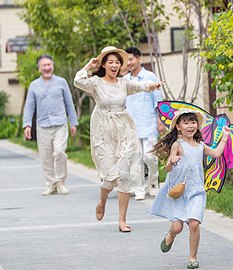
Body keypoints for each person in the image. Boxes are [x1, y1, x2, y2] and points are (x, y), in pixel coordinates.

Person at [73, 46, 165, 232]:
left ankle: (122, 220)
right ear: (104, 64)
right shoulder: (96, 82)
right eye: (110, 62)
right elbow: (78, 81)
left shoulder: (124, 83)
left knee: (124, 175)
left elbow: (140, 86)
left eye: (117, 62)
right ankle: (103, 199)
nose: (114, 65)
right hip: (103, 132)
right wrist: (89, 65)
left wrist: (153, 86)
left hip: (123, 130)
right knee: (108, 177)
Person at [149, 108, 231, 269]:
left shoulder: (200, 145)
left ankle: (192, 257)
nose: (190, 126)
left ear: (197, 126)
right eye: (186, 123)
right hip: (178, 192)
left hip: (197, 191)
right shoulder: (177, 145)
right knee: (177, 227)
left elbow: (215, 153)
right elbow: (167, 169)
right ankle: (171, 234)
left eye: (193, 122)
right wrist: (171, 161)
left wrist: (224, 137)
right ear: (178, 127)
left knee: (194, 224)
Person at [23, 54, 78, 196]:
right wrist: (27, 125)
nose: (47, 68)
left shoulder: (61, 82)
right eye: (44, 65)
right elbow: (29, 106)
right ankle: (51, 185)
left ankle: (61, 181)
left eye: (49, 65)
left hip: (60, 124)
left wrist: (73, 122)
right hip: (42, 126)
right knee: (45, 157)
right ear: (39, 68)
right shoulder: (34, 85)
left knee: (59, 151)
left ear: (52, 66)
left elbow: (69, 103)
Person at [124, 47, 166, 200]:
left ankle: (153, 183)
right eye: (126, 60)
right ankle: (139, 188)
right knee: (136, 158)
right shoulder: (125, 80)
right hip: (132, 126)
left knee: (150, 157)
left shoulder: (150, 77)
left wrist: (160, 121)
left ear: (138, 58)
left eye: (131, 59)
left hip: (148, 123)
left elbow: (158, 101)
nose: (128, 63)